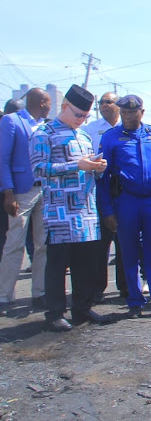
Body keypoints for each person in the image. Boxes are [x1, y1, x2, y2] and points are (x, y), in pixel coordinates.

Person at [30, 85, 111, 331]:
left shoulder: (84, 135)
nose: (82, 120)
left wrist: (96, 167)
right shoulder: (44, 133)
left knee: (85, 264)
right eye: (78, 115)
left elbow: (86, 167)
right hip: (59, 213)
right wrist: (77, 166)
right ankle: (55, 312)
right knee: (57, 265)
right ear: (64, 106)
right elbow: (39, 169)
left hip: (85, 212)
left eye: (86, 116)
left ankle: (82, 308)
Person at [97, 95, 151, 320]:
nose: (128, 117)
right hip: (127, 202)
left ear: (142, 112)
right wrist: (108, 211)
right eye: (124, 113)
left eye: (133, 113)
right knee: (129, 253)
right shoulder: (111, 138)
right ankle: (134, 301)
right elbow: (103, 180)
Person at [0, 88, 51, 317]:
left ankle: (39, 292)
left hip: (45, 190)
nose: (50, 106)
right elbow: (2, 159)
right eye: (49, 102)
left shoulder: (45, 125)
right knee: (14, 243)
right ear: (42, 102)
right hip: (22, 191)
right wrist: (7, 193)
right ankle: (4, 295)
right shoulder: (12, 121)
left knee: (43, 244)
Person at [82, 92, 124, 303]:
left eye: (109, 102)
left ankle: (126, 287)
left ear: (119, 105)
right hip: (100, 191)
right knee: (100, 245)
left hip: (124, 192)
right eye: (101, 102)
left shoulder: (128, 127)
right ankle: (97, 289)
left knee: (125, 242)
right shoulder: (90, 130)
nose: (104, 106)